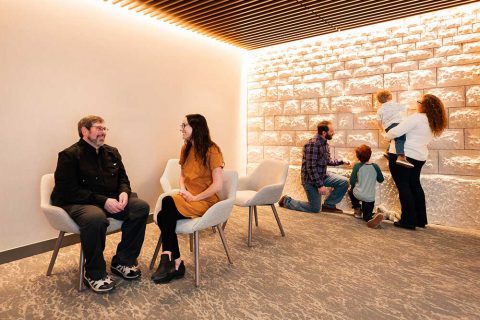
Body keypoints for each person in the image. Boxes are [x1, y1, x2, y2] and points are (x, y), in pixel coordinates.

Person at [51, 115, 149, 293]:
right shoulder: (69, 155)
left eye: (105, 129)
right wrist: (104, 202)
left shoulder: (112, 152)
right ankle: (94, 272)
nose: (103, 132)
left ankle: (123, 261)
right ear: (84, 131)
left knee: (140, 207)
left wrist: (123, 193)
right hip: (78, 202)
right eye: (98, 128)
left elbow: (123, 180)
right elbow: (68, 190)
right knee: (96, 218)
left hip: (109, 199)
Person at [151, 114, 224, 284]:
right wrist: (183, 190)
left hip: (206, 200)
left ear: (196, 128)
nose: (181, 129)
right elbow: (182, 175)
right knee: (165, 210)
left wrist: (195, 197)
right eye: (181, 125)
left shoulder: (212, 150)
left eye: (184, 125)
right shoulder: (186, 148)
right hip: (189, 197)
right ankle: (174, 260)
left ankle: (171, 260)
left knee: (165, 211)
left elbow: (218, 185)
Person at [386, 94, 447, 230]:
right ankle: (420, 219)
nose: (417, 104)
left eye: (419, 102)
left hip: (403, 156)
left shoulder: (417, 118)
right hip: (419, 157)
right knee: (414, 185)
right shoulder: (432, 121)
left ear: (425, 106)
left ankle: (408, 221)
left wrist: (387, 133)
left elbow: (394, 133)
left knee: (404, 186)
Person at [279, 120, 350, 213]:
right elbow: (311, 168)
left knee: (344, 182)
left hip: (322, 176)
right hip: (310, 180)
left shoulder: (325, 143)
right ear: (324, 133)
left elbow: (327, 161)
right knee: (315, 208)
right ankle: (286, 201)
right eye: (331, 131)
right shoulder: (313, 144)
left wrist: (342, 161)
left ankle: (329, 205)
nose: (333, 133)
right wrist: (320, 185)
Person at [348, 144, 385, 228]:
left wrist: (355, 185)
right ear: (370, 154)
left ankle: (357, 209)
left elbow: (352, 181)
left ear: (358, 156)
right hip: (369, 198)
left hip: (358, 194)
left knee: (350, 191)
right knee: (367, 216)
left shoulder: (357, 166)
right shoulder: (375, 167)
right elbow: (381, 180)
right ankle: (370, 217)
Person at [376, 90, 413, 168]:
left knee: (393, 139)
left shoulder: (380, 110)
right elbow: (404, 108)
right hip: (396, 125)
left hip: (387, 128)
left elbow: (379, 122)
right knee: (401, 139)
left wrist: (383, 130)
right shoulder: (394, 105)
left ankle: (388, 152)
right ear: (389, 97)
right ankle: (401, 156)